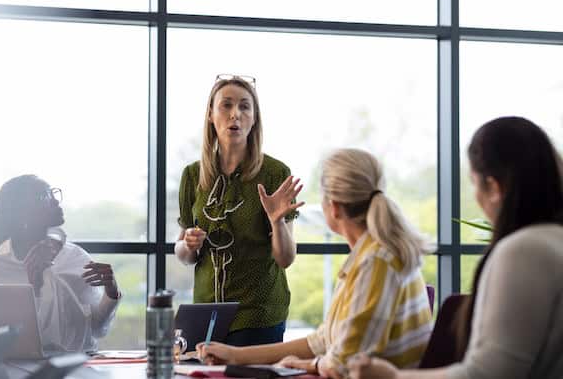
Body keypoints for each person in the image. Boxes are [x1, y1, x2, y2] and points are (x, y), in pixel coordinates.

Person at [349, 116, 563, 379]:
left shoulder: (523, 251)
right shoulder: (553, 241)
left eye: (474, 183)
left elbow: (487, 374)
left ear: (494, 187)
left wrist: (390, 377)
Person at [197, 148, 435, 377]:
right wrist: (236, 355)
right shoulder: (372, 256)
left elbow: (343, 364)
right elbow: (323, 341)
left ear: (334, 207)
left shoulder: (377, 262)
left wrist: (308, 365)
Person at [174, 74, 304, 346]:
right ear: (211, 115)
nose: (235, 114)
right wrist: (188, 243)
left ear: (254, 118)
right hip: (206, 314)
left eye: (245, 106)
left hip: (258, 315)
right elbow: (184, 255)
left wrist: (277, 221)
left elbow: (286, 258)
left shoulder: (274, 173)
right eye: (226, 105)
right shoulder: (192, 175)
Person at [0, 175, 121, 352]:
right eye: (43, 196)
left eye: (53, 193)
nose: (55, 201)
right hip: (23, 369)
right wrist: (35, 289)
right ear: (21, 213)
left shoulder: (76, 256)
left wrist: (111, 292)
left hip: (81, 367)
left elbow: (98, 329)